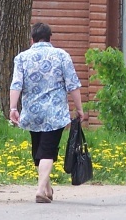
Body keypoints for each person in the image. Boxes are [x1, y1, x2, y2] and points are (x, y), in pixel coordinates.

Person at [9, 22, 84, 204]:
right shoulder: (61, 56)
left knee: (39, 150)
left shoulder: (22, 58)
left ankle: (48, 188)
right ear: (50, 38)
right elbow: (72, 84)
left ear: (32, 39)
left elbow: (16, 84)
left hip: (32, 111)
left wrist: (13, 108)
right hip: (55, 112)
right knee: (47, 151)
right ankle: (41, 190)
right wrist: (79, 108)